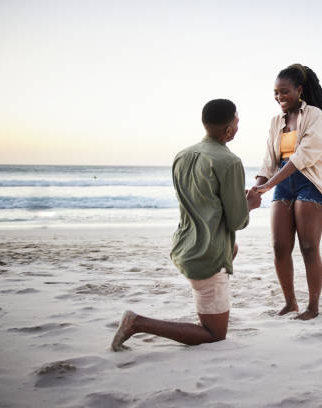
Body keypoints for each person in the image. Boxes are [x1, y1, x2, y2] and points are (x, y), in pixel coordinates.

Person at [111, 99, 261, 350]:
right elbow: (236, 221)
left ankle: (210, 305)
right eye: (237, 121)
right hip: (207, 255)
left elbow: (201, 201)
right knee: (214, 334)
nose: (238, 125)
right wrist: (250, 204)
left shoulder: (182, 155)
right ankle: (136, 323)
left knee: (232, 251)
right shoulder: (229, 161)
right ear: (229, 129)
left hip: (184, 245)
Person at [252, 64, 322, 320]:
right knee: (279, 246)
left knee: (309, 247)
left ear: (299, 90)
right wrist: (257, 188)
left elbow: (303, 157)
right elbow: (269, 159)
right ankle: (290, 303)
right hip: (283, 180)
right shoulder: (276, 121)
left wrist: (270, 183)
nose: (279, 97)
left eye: (285, 91)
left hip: (311, 181)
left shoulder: (315, 115)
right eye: (276, 93)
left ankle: (313, 307)